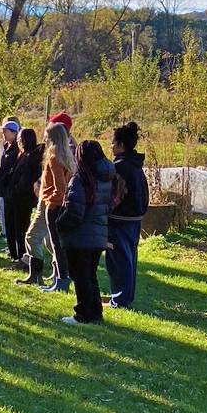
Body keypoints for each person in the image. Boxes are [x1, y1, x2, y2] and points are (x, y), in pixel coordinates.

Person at [58, 141, 115, 325]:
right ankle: (95, 312)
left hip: (80, 236)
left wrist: (60, 223)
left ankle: (83, 314)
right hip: (98, 234)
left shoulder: (81, 179)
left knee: (81, 278)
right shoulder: (106, 178)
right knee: (90, 276)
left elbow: (74, 212)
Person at [106, 122, 149, 309]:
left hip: (119, 221)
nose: (111, 146)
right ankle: (124, 297)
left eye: (113, 143)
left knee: (118, 261)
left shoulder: (120, 167)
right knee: (129, 259)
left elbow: (115, 196)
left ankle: (120, 299)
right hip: (134, 220)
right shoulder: (136, 166)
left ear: (121, 146)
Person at [40, 123, 76, 293]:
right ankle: (62, 279)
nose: (44, 139)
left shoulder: (53, 157)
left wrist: (51, 201)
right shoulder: (67, 156)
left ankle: (61, 281)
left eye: (46, 136)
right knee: (61, 244)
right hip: (62, 205)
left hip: (54, 206)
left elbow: (60, 187)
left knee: (56, 245)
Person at [8, 129, 44, 283]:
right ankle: (22, 256)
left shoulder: (31, 158)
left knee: (22, 229)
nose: (18, 140)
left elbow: (26, 180)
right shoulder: (25, 155)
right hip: (20, 196)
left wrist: (16, 191)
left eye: (20, 138)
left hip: (23, 198)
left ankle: (24, 258)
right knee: (20, 229)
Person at [0, 119, 21, 257]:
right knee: (4, 217)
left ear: (14, 133)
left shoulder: (17, 149)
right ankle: (11, 248)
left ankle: (15, 250)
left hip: (10, 190)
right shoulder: (6, 146)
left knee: (12, 221)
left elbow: (11, 170)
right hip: (4, 189)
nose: (3, 134)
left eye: (6, 131)